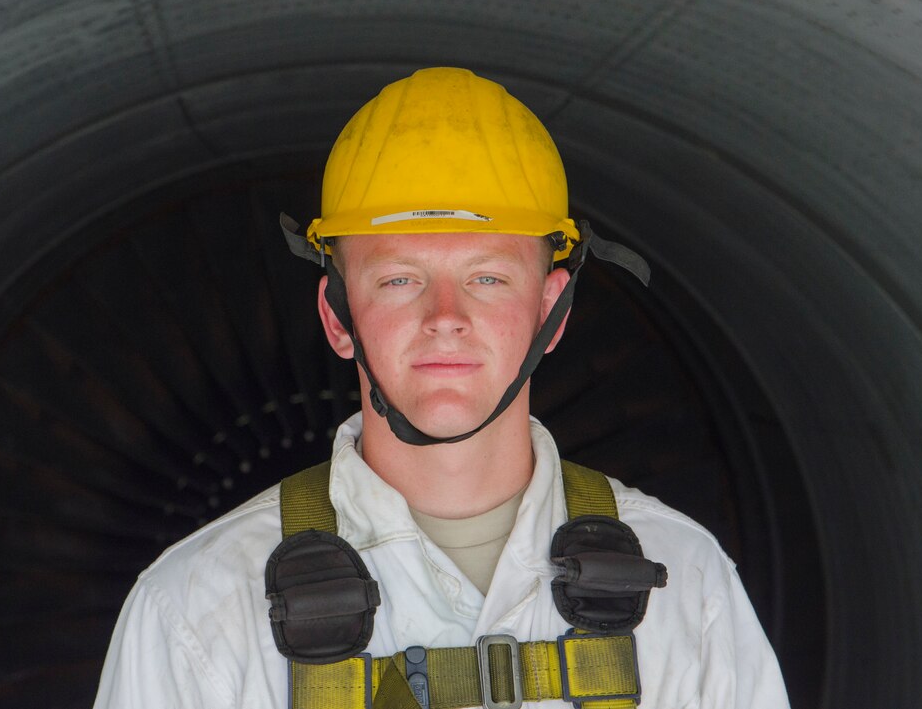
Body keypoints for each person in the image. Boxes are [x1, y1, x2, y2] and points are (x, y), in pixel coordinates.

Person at [93, 67, 790, 709]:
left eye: (488, 277)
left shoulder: (685, 590)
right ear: (338, 316)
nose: (446, 318)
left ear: (551, 312)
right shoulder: (196, 613)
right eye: (400, 278)